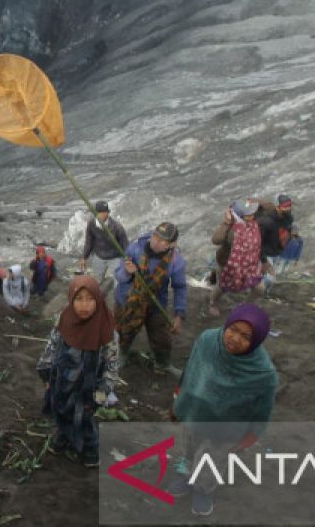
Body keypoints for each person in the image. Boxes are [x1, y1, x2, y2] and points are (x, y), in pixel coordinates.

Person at [170, 303, 278, 517]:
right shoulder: (208, 340)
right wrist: (179, 400)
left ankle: (204, 489)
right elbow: (191, 371)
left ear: (256, 341)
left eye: (246, 336)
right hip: (195, 412)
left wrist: (252, 435)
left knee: (212, 460)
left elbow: (263, 409)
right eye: (234, 329)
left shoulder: (263, 373)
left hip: (227, 427)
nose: (235, 338)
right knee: (189, 449)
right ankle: (189, 477)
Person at [36, 275, 120, 468]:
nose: (85, 305)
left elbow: (111, 364)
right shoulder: (64, 319)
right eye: (79, 299)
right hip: (63, 379)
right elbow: (53, 345)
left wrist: (103, 389)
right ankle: (64, 436)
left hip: (89, 386)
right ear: (71, 299)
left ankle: (91, 447)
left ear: (98, 300)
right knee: (61, 409)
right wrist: (46, 372)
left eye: (90, 299)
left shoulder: (106, 329)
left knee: (85, 417)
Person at [113, 222, 187, 376]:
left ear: (171, 244)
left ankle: (163, 363)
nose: (155, 241)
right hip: (128, 299)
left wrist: (179, 314)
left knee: (161, 337)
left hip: (155, 303)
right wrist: (127, 272)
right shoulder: (135, 248)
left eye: (162, 240)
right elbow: (118, 274)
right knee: (124, 331)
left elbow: (180, 287)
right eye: (155, 236)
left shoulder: (175, 261)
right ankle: (123, 354)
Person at [208, 200, 267, 317]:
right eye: (248, 215)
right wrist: (226, 222)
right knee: (222, 287)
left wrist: (264, 262)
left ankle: (246, 305)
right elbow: (216, 240)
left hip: (249, 265)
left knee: (260, 288)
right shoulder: (230, 227)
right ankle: (212, 303)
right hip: (227, 265)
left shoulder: (253, 225)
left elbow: (257, 245)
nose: (252, 216)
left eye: (252, 214)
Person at [80, 201, 128, 292]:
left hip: (115, 257)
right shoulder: (91, 224)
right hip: (99, 256)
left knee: (118, 282)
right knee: (95, 282)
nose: (104, 214)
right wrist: (84, 257)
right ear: (96, 213)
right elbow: (88, 242)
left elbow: (125, 245)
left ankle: (116, 300)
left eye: (106, 212)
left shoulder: (117, 227)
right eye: (101, 212)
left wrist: (127, 259)